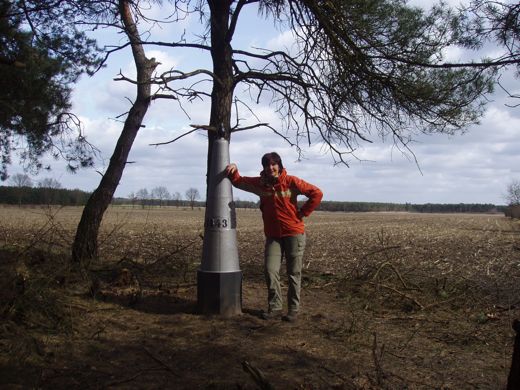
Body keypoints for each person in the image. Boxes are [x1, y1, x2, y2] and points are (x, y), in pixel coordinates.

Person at [226, 152, 323, 322]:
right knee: (270, 270)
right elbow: (239, 181)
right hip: (273, 236)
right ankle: (275, 307)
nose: (270, 168)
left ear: (279, 165)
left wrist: (302, 213)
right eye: (266, 165)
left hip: (294, 233)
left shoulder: (291, 181)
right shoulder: (260, 184)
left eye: (273, 164)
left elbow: (317, 193)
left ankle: (293, 309)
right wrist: (234, 169)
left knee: (293, 273)